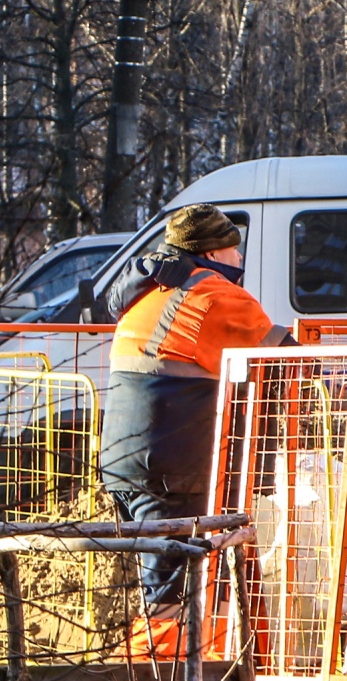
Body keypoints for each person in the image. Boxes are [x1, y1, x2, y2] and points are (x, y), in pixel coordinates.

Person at [99, 204, 289, 612]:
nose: (239, 258)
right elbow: (284, 360)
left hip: (125, 461)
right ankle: (175, 673)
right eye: (233, 249)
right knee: (179, 594)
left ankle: (168, 666)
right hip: (171, 464)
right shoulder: (212, 294)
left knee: (162, 584)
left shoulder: (151, 291)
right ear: (212, 253)